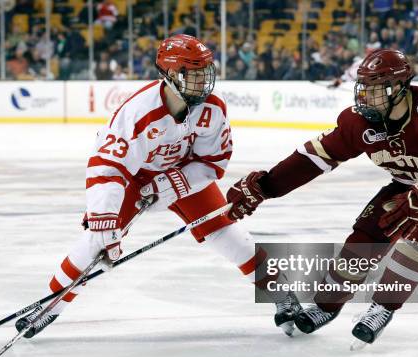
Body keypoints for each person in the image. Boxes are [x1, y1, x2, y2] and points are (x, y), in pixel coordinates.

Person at [15, 34, 300, 338]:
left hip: (183, 174)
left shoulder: (213, 109)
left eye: (207, 72)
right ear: (172, 74)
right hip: (133, 179)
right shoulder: (138, 112)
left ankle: (282, 293)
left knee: (226, 230)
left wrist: (176, 183)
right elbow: (108, 166)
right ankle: (48, 306)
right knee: (97, 242)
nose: (204, 81)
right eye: (196, 74)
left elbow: (213, 161)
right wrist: (105, 220)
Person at [227, 49, 418, 345]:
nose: (365, 97)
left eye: (375, 89)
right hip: (409, 182)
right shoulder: (358, 123)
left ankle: (383, 306)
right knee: (365, 236)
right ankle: (327, 305)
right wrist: (266, 186)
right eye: (363, 88)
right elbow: (312, 159)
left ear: (398, 88)